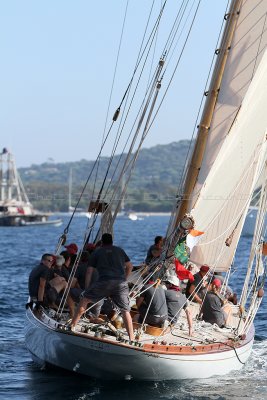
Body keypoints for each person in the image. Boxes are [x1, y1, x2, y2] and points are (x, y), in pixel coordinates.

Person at [71, 233, 134, 341]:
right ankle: (131, 338)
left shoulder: (97, 252)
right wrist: (125, 279)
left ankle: (72, 326)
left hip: (104, 282)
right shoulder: (119, 250)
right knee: (125, 310)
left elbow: (89, 271)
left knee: (84, 300)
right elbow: (130, 266)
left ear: (102, 242)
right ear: (112, 241)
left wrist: (87, 289)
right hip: (120, 283)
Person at [164, 271, 193, 336]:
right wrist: (190, 329)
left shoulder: (165, 293)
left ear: (171, 285)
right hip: (171, 326)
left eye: (166, 283)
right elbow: (189, 313)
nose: (165, 285)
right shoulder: (183, 297)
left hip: (162, 321)